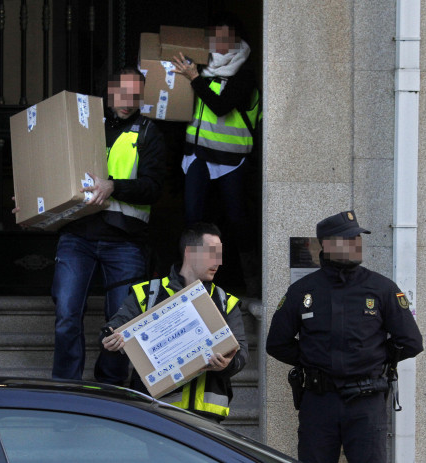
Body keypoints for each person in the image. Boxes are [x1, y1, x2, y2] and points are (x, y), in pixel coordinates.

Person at [32, 68, 165, 385]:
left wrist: (114, 186)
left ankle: (111, 389)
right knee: (66, 314)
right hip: (78, 234)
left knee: (121, 324)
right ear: (110, 90)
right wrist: (31, 196)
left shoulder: (149, 133)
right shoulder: (85, 127)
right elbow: (53, 169)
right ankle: (66, 385)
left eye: (136, 95)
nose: (128, 101)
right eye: (123, 93)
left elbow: (153, 188)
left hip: (125, 241)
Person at [265, 211, 423, 463]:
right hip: (318, 402)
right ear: (326, 244)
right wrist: (312, 359)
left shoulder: (382, 289)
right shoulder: (302, 291)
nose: (356, 244)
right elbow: (276, 343)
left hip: (366, 404)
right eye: (348, 239)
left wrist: (372, 357)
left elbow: (411, 342)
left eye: (357, 238)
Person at [102, 223, 248, 423]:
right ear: (189, 253)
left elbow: (242, 353)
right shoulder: (149, 293)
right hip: (157, 414)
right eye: (211, 253)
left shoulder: (225, 301)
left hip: (208, 418)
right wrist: (110, 336)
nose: (218, 261)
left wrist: (227, 365)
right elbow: (117, 325)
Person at [172, 14, 262, 297]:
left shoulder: (245, 70)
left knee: (237, 218)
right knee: (191, 218)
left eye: (226, 38)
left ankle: (253, 280)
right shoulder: (197, 63)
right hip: (197, 154)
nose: (220, 44)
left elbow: (221, 106)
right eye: (215, 37)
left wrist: (195, 79)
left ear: (237, 38)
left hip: (231, 158)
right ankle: (187, 282)